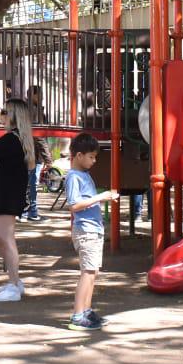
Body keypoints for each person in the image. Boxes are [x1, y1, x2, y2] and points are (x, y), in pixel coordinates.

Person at [0, 98, 33, 302]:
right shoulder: (16, 140)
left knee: (7, 240)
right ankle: (14, 280)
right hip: (5, 193)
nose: (1, 116)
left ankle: (14, 284)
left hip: (7, 195)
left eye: (5, 112)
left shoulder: (11, 139)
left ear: (13, 116)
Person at [64, 132, 115, 330]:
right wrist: (100, 197)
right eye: (91, 156)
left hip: (93, 229)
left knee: (92, 271)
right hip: (86, 230)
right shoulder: (73, 177)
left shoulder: (83, 175)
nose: (94, 161)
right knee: (87, 272)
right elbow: (74, 205)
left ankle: (86, 310)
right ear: (79, 155)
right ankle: (78, 315)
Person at [23, 85, 49, 221]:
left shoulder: (26, 109)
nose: (42, 97)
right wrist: (48, 158)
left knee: (28, 183)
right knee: (32, 184)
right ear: (33, 95)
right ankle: (31, 212)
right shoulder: (34, 111)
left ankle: (27, 211)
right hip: (33, 152)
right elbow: (39, 136)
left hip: (27, 150)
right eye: (40, 94)